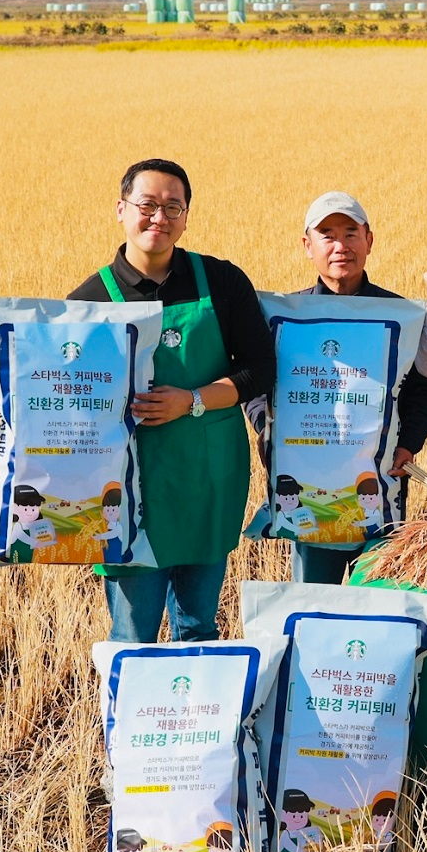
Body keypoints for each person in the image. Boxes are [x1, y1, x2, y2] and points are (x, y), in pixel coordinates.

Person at [69, 158, 274, 643]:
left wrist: (193, 400)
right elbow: (69, 397)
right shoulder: (90, 301)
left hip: (208, 479)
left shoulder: (221, 280)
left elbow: (260, 368)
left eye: (172, 207)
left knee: (199, 628)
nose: (159, 218)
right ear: (121, 210)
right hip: (130, 491)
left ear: (185, 217)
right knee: (132, 635)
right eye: (147, 205)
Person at [250, 191, 427, 584]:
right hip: (307, 484)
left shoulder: (399, 316)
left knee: (376, 599)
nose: (340, 246)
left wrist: (408, 443)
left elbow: (425, 387)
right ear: (307, 246)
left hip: (378, 484)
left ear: (369, 241)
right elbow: (256, 381)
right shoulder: (284, 315)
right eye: (327, 235)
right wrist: (265, 426)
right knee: (314, 600)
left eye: (351, 234)